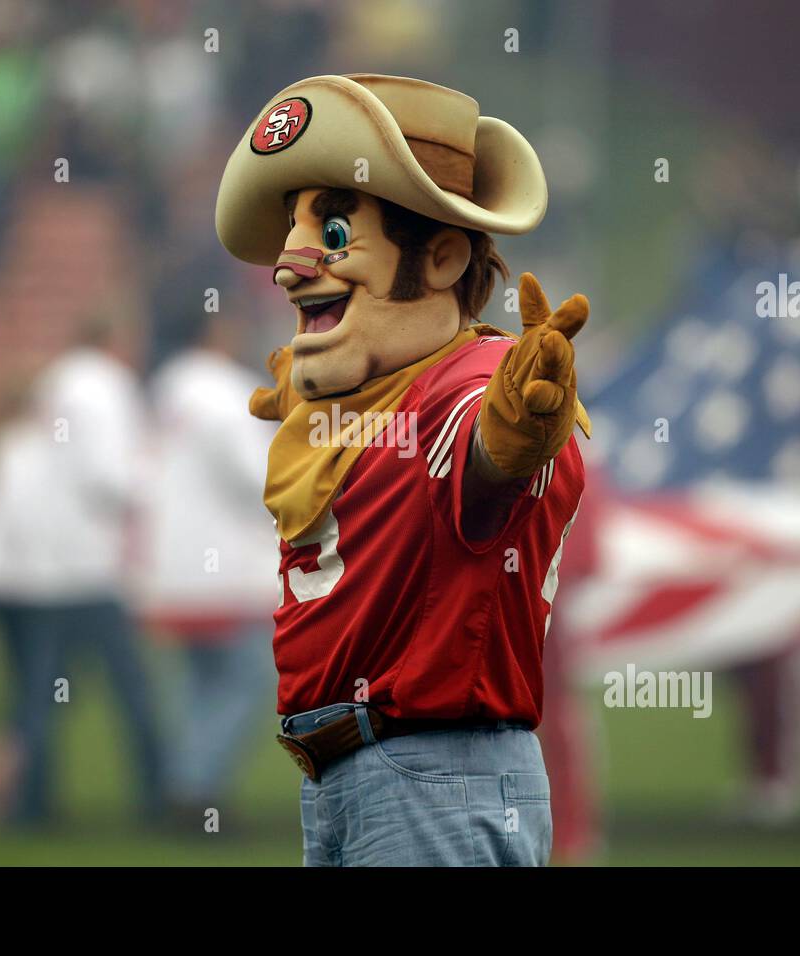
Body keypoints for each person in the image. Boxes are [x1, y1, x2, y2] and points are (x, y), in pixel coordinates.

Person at [214, 74, 593, 866]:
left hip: (434, 775)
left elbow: (483, 453)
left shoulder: (476, 384)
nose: (289, 263)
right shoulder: (365, 397)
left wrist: (520, 430)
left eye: (335, 228)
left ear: (444, 256)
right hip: (355, 776)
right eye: (295, 226)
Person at [0, 317, 166, 826]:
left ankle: (27, 800)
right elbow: (109, 483)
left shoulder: (8, 445)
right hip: (63, 580)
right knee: (108, 688)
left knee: (35, 691)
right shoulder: (33, 447)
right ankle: (151, 796)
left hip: (17, 583)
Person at [141, 308, 279, 823]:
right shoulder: (226, 392)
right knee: (247, 680)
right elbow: (261, 477)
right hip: (231, 571)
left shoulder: (167, 388)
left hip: (174, 566)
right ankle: (194, 786)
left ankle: (185, 784)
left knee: (199, 684)